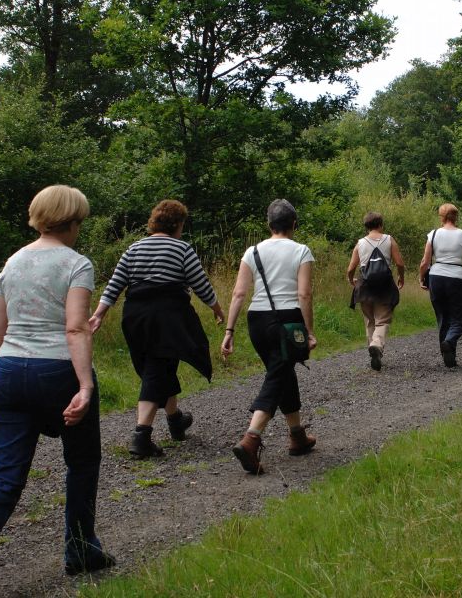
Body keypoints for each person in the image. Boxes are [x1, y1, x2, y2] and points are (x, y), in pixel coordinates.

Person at [0, 185, 115, 597]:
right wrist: (85, 385)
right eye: (80, 222)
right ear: (72, 222)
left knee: (6, 473)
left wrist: (20, 359)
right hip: (59, 371)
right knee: (82, 461)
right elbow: (74, 327)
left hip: (7, 371)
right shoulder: (76, 263)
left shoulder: (12, 262)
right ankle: (80, 549)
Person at [89, 200, 225, 458]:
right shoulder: (182, 248)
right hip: (169, 315)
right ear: (177, 224)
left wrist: (98, 315)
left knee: (160, 364)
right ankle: (141, 435)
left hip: (136, 316)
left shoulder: (134, 248)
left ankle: (175, 420)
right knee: (157, 368)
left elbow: (115, 284)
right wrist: (217, 310)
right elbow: (201, 284)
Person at [221, 200, 317, 475]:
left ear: (269, 224)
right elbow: (304, 295)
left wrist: (229, 331)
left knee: (282, 370)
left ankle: (297, 435)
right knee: (278, 373)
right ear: (294, 224)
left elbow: (239, 294)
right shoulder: (301, 251)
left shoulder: (252, 252)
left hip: (257, 321)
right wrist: (309, 331)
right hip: (287, 320)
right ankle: (251, 438)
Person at [418, 203, 462, 368]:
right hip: (458, 278)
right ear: (456, 217)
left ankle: (448, 354)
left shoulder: (434, 234)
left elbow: (425, 261)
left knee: (443, 317)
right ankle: (450, 341)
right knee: (459, 318)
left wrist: (422, 277)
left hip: (437, 277)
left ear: (441, 217)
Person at [345, 212, 406, 371]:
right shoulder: (389, 239)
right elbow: (399, 263)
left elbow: (351, 268)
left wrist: (351, 280)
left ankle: (374, 349)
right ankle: (377, 344)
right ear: (380, 225)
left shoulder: (360, 243)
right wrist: (401, 277)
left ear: (366, 227)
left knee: (369, 320)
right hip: (384, 286)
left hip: (364, 286)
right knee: (382, 320)